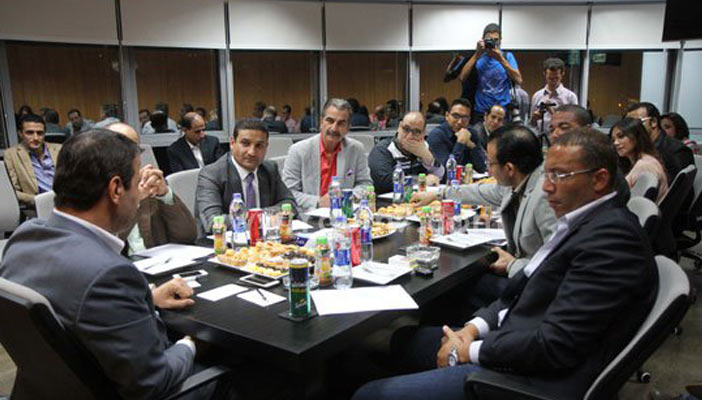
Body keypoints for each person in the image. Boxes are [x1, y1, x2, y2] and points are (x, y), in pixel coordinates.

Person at [353, 129, 658, 400]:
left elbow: (555, 346)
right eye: (546, 174)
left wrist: (469, 350)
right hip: (514, 333)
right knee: (403, 339)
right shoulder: (581, 220)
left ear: (599, 179)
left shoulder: (612, 241)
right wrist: (473, 328)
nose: (546, 187)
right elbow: (524, 289)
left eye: (559, 176)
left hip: (531, 378)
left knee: (367, 393)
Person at [0, 129, 206, 399]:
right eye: (136, 183)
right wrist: (190, 343)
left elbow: (72, 307)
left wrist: (148, 299)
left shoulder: (24, 237)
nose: (140, 194)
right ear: (116, 189)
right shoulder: (109, 273)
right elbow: (152, 382)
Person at [412, 124, 556, 309]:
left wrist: (513, 265)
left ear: (509, 168)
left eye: (490, 163)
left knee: (457, 290)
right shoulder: (520, 180)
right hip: (523, 274)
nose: (488, 168)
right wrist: (439, 194)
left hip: (536, 291)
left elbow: (557, 266)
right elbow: (482, 191)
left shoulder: (546, 196)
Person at [107, 122, 198, 254]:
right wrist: (134, 201)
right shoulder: (97, 191)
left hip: (158, 260)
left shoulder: (146, 182)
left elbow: (187, 236)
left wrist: (165, 195)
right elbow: (107, 247)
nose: (131, 156)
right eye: (122, 150)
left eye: (135, 150)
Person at [196, 119, 297, 233]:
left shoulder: (269, 169)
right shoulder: (212, 174)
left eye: (259, 146)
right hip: (225, 241)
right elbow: (212, 221)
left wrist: (258, 216)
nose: (252, 152)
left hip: (266, 240)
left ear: (266, 147)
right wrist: (262, 217)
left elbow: (290, 204)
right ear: (232, 143)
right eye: (245, 143)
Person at [282, 98, 373, 211]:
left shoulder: (356, 149)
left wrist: (347, 197)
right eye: (330, 121)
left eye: (341, 123)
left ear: (348, 128)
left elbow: (365, 184)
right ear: (321, 122)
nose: (334, 128)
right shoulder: (298, 150)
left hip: (344, 214)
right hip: (309, 214)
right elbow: (288, 193)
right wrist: (319, 202)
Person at [458, 23, 522, 124]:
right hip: (481, 110)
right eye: (489, 40)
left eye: (496, 40)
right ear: (483, 40)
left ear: (500, 41)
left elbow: (519, 80)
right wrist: (477, 54)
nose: (493, 43)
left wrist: (500, 59)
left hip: (502, 110)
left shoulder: (507, 56)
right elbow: (462, 77)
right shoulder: (477, 57)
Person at [368, 111, 444, 194]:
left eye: (416, 132)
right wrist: (421, 181)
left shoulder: (423, 147)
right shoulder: (383, 149)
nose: (409, 136)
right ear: (399, 127)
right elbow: (384, 182)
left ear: (423, 133)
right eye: (406, 129)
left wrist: (428, 158)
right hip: (390, 200)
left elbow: (442, 176)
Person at [626, 102, 694, 183]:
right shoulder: (634, 147)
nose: (630, 128)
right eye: (627, 123)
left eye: (636, 122)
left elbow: (675, 187)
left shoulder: (676, 150)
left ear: (653, 122)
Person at [4, 114, 61, 208]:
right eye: (30, 133)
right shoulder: (11, 155)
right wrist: (39, 201)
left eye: (40, 133)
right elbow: (12, 190)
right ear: (20, 133)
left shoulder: (59, 149)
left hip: (66, 202)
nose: (36, 138)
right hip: (37, 206)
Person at [610, 118, 668, 203]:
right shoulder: (641, 161)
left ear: (636, 136)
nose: (616, 143)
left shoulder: (645, 166)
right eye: (613, 140)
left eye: (621, 137)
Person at [426, 98, 487, 175]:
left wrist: (472, 147)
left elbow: (482, 168)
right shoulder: (437, 136)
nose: (460, 122)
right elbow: (446, 173)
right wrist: (460, 143)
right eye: (456, 116)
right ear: (447, 116)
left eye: (465, 117)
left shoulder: (471, 133)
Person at [530, 58, 579, 135]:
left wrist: (553, 113)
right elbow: (532, 124)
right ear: (544, 74)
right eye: (550, 78)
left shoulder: (570, 97)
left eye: (556, 78)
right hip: (540, 137)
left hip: (562, 138)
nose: (553, 81)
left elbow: (573, 123)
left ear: (562, 74)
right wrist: (534, 118)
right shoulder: (537, 96)